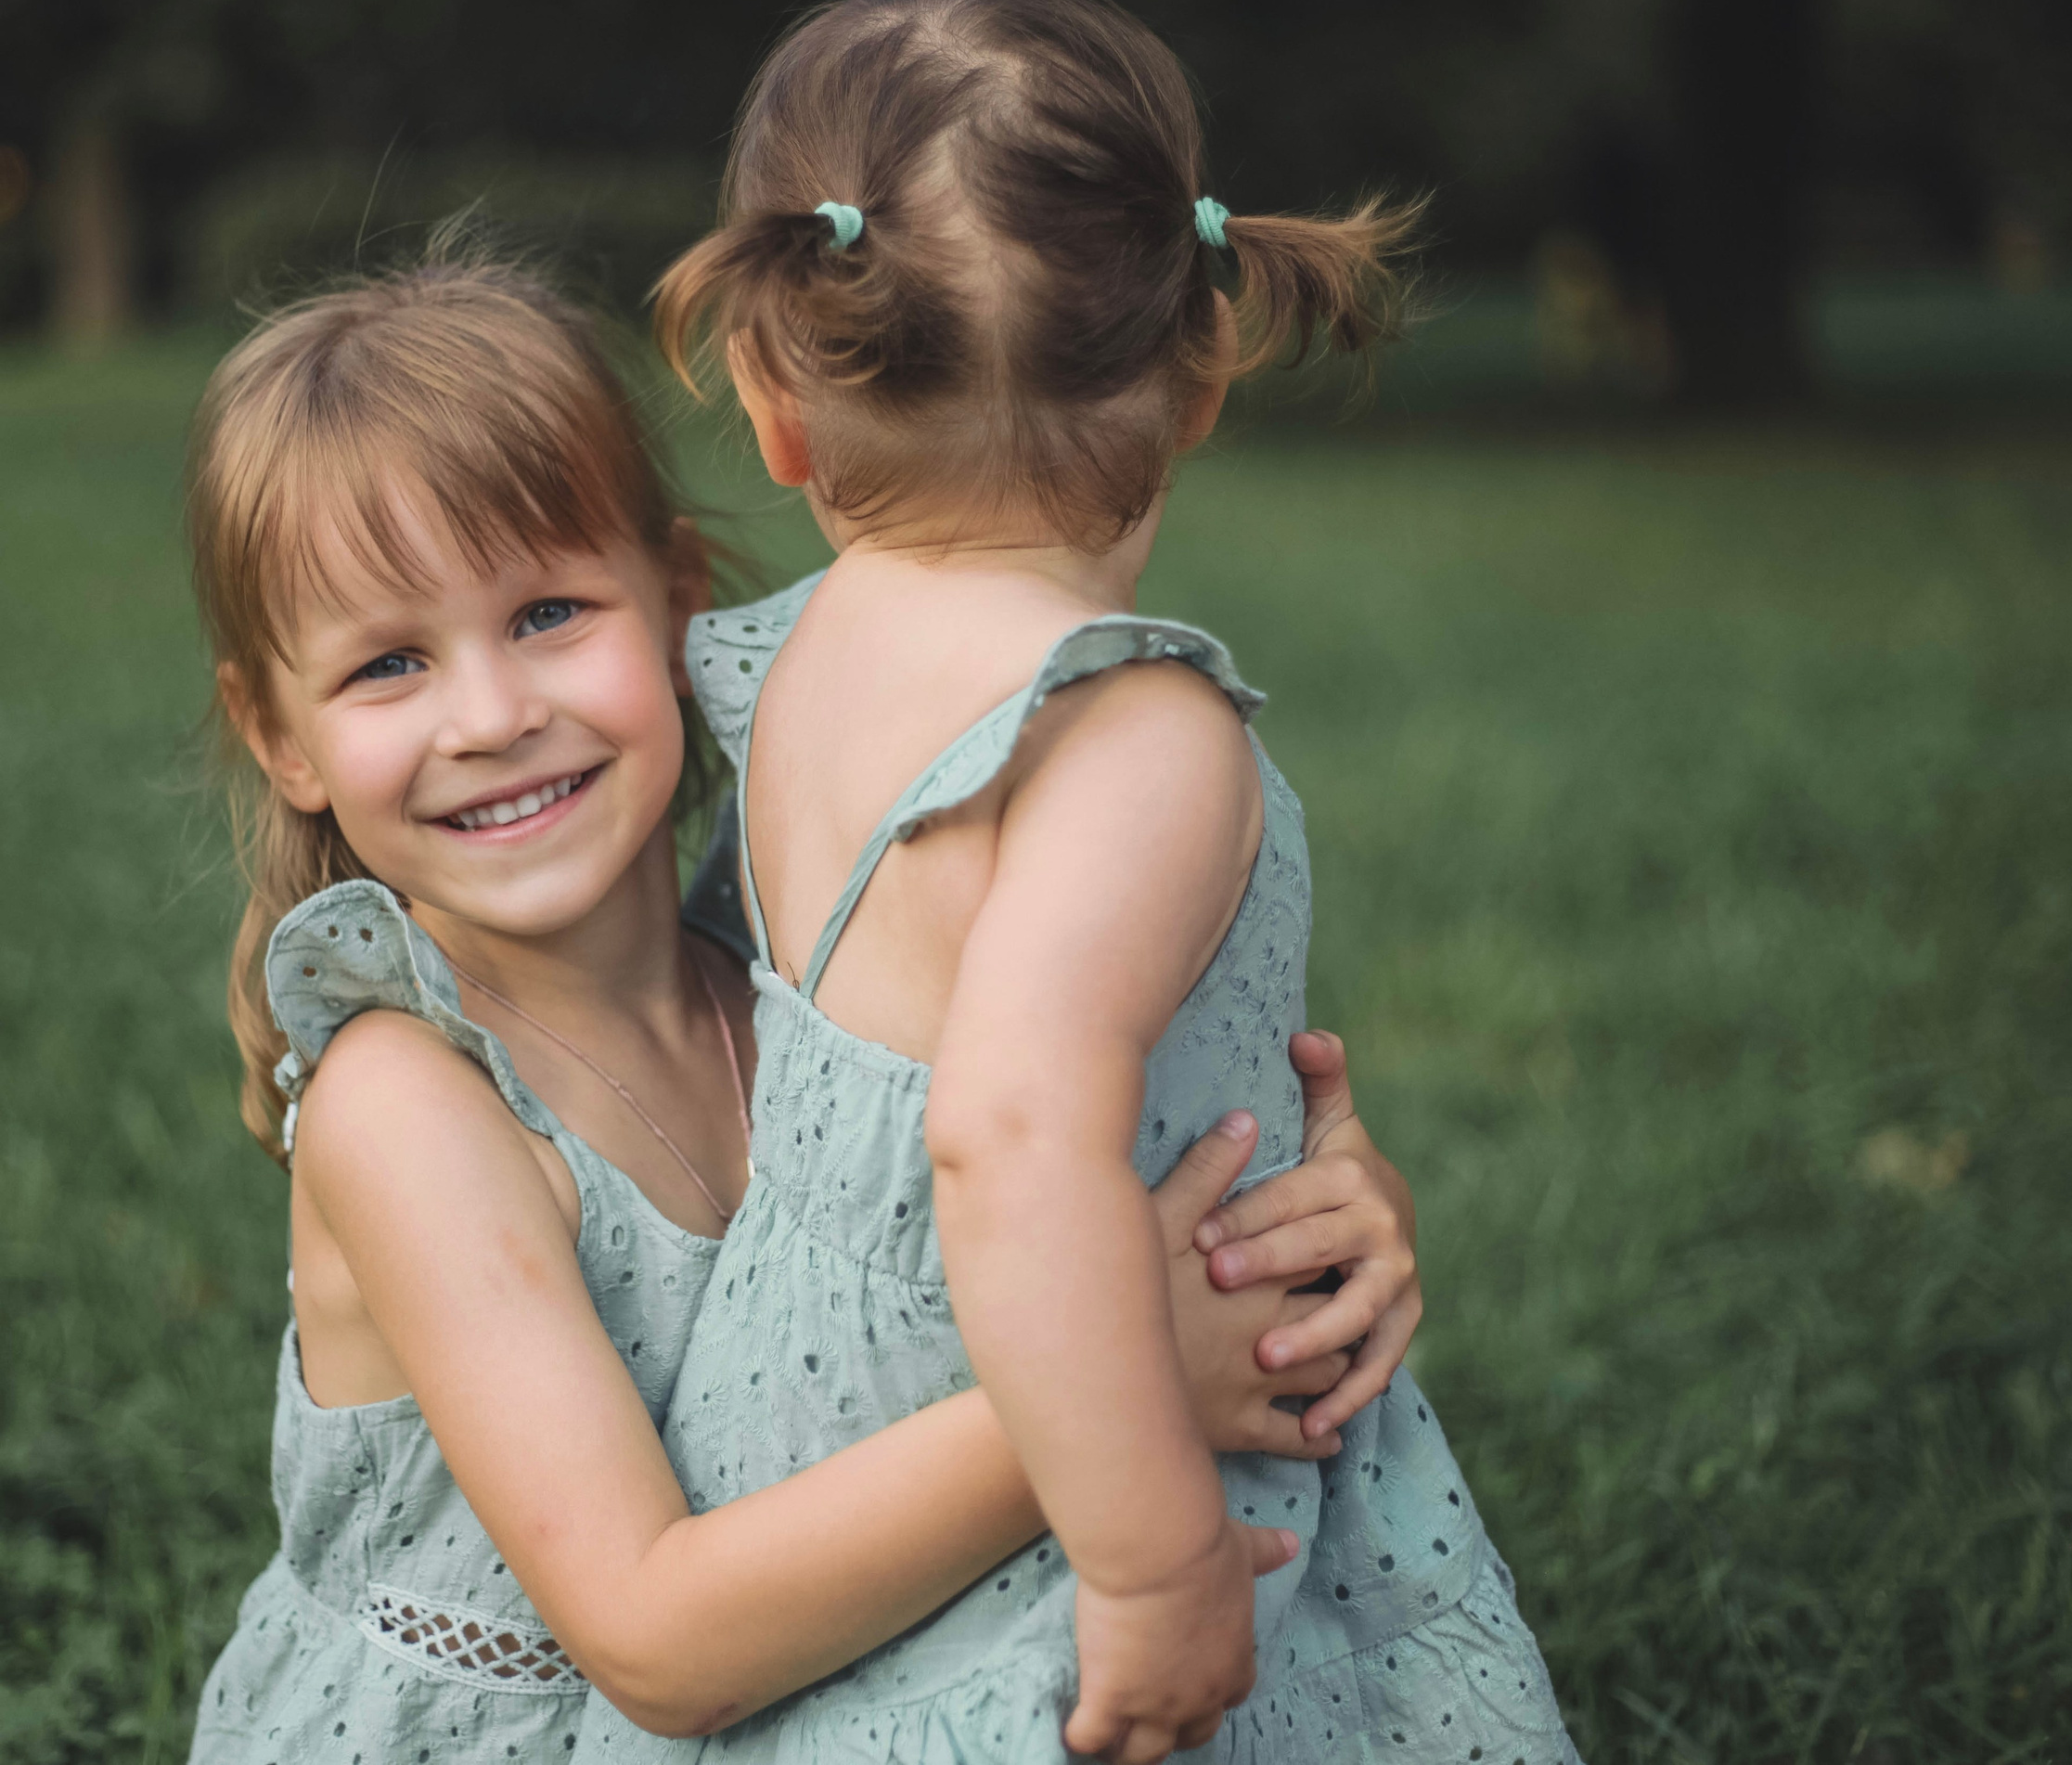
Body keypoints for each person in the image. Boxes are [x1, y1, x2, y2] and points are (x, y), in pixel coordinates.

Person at [185, 254, 1427, 1761]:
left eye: (548, 613)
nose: (493, 716)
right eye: (389, 663)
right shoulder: (408, 1106)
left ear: (677, 601)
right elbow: (653, 1642)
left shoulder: (777, 983)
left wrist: (1296, 1232)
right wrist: (1129, 1383)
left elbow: (1029, 1217)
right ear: (282, 737)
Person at [588, 0, 1577, 1765]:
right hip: (1080, 1413)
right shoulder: (1137, 734)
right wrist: (1145, 1556)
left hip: (811, 1419)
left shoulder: (786, 663)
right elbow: (1010, 1130)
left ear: (770, 397)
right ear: (1202, 370)